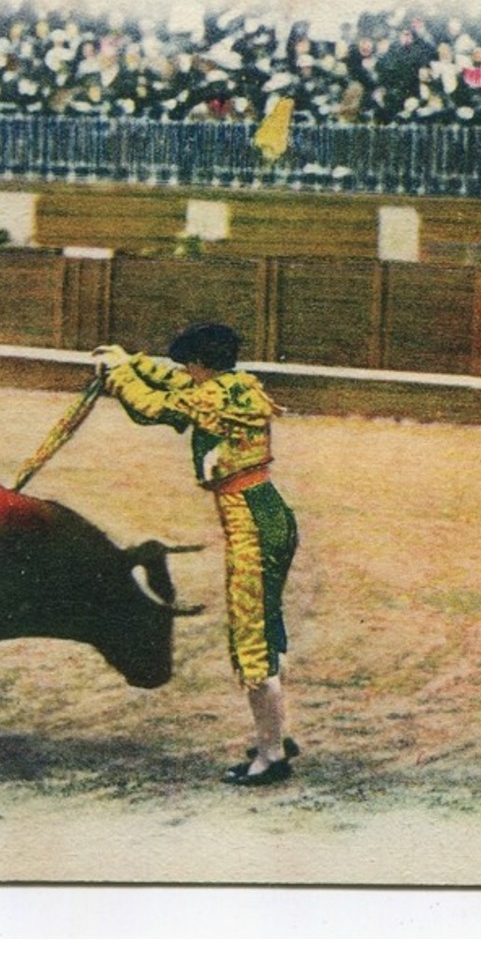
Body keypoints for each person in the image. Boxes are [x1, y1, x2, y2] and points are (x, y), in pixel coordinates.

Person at [92, 324, 300, 787]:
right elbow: (173, 382)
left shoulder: (210, 397)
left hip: (251, 522)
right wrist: (128, 358)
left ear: (202, 365)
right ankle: (277, 734)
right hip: (272, 513)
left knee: (252, 640)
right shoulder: (234, 384)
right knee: (266, 627)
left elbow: (152, 409)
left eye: (189, 363)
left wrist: (120, 375)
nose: (185, 370)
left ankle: (271, 755)